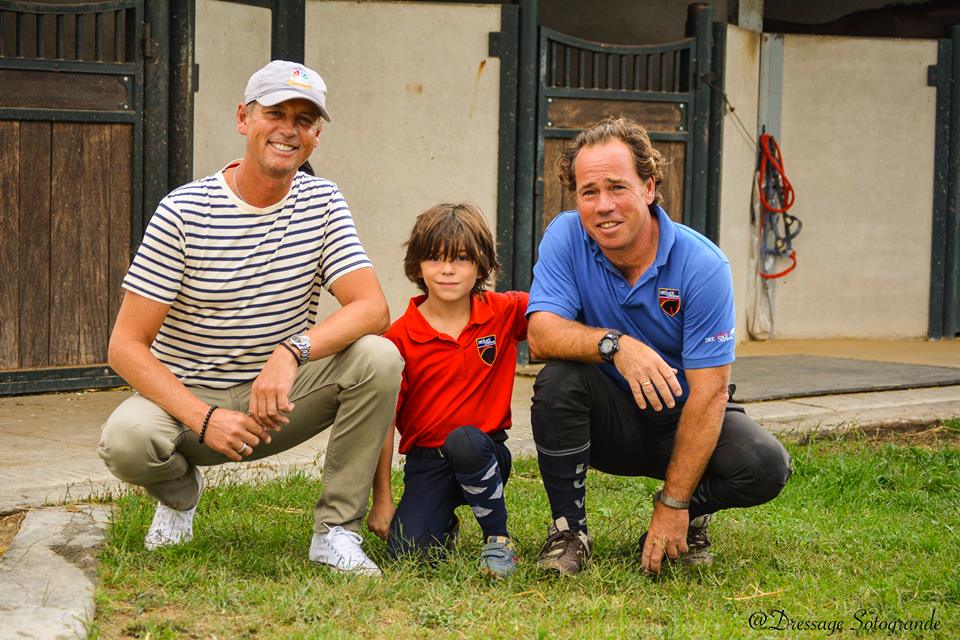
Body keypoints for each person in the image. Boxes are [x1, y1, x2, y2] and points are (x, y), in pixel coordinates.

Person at [97, 60, 402, 576]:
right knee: (126, 442)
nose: (289, 129)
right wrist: (204, 417)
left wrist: (291, 350)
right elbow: (125, 346)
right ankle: (179, 496)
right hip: (191, 401)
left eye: (305, 120)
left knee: (379, 356)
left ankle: (335, 532)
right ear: (243, 118)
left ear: (316, 136)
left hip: (278, 399)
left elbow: (373, 308)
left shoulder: (322, 201)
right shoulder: (183, 210)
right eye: (275, 112)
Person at [526, 117, 791, 576]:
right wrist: (616, 345)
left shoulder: (703, 265)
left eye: (617, 187)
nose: (603, 205)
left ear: (649, 187)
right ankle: (569, 533)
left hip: (682, 419)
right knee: (558, 380)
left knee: (765, 464)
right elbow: (541, 335)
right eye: (589, 192)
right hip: (608, 421)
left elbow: (709, 393)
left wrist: (673, 503)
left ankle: (688, 514)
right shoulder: (565, 236)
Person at [366, 203, 529, 579]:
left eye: (460, 258)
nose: (448, 270)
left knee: (466, 442)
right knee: (407, 553)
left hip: (484, 453)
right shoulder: (399, 339)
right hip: (427, 463)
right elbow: (382, 427)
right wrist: (383, 500)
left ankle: (498, 540)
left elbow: (558, 310)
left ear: (480, 265)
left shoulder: (504, 311)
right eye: (435, 258)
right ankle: (444, 527)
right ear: (418, 266)